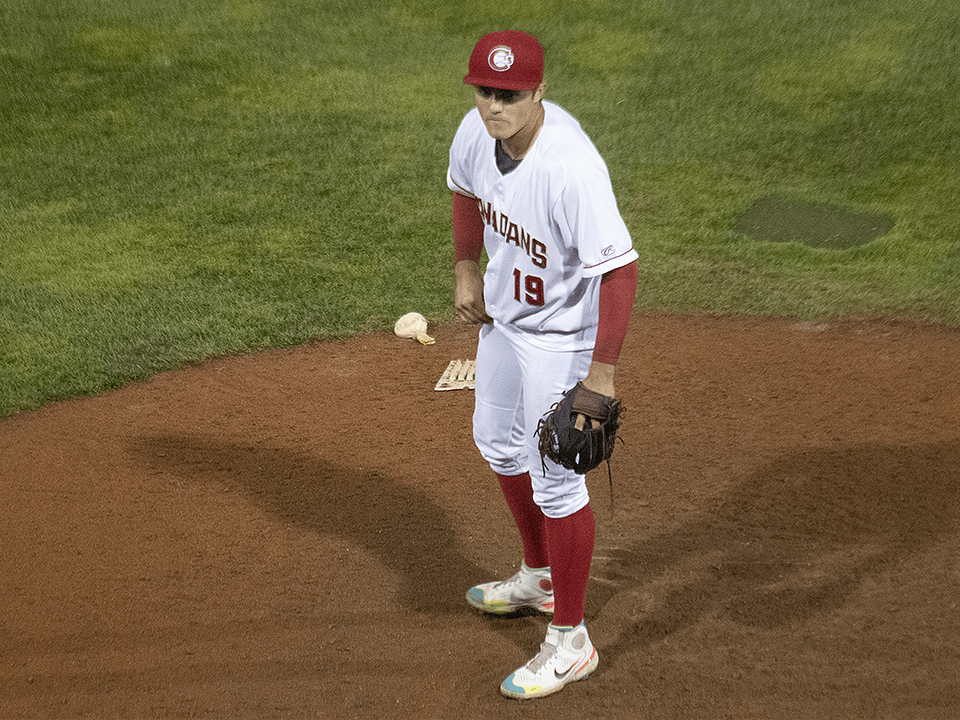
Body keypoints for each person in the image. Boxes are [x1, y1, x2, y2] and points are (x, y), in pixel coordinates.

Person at [447, 30, 639, 700]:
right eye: (485, 92)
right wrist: (467, 267)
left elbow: (619, 270)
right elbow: (464, 191)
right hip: (505, 323)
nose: (495, 105)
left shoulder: (570, 166)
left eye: (510, 94)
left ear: (538, 92)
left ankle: (571, 639)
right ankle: (538, 575)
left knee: (556, 478)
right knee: (498, 444)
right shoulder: (475, 137)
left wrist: (601, 374)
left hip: (562, 337)